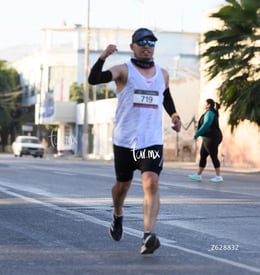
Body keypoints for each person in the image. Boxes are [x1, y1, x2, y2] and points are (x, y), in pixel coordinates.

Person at [88, 28, 182, 254]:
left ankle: (148, 235)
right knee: (123, 186)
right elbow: (94, 79)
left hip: (151, 141)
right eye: (141, 42)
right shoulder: (123, 70)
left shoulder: (163, 73)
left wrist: (175, 116)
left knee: (151, 182)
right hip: (124, 141)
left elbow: (165, 95)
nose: (147, 45)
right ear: (133, 46)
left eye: (151, 42)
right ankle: (117, 213)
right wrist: (102, 57)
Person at [188, 98, 223, 183]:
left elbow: (206, 124)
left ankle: (218, 176)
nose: (203, 105)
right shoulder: (210, 112)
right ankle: (198, 175)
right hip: (207, 138)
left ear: (208, 105)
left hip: (212, 138)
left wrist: (197, 134)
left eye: (205, 103)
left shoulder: (210, 113)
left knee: (213, 155)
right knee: (203, 155)